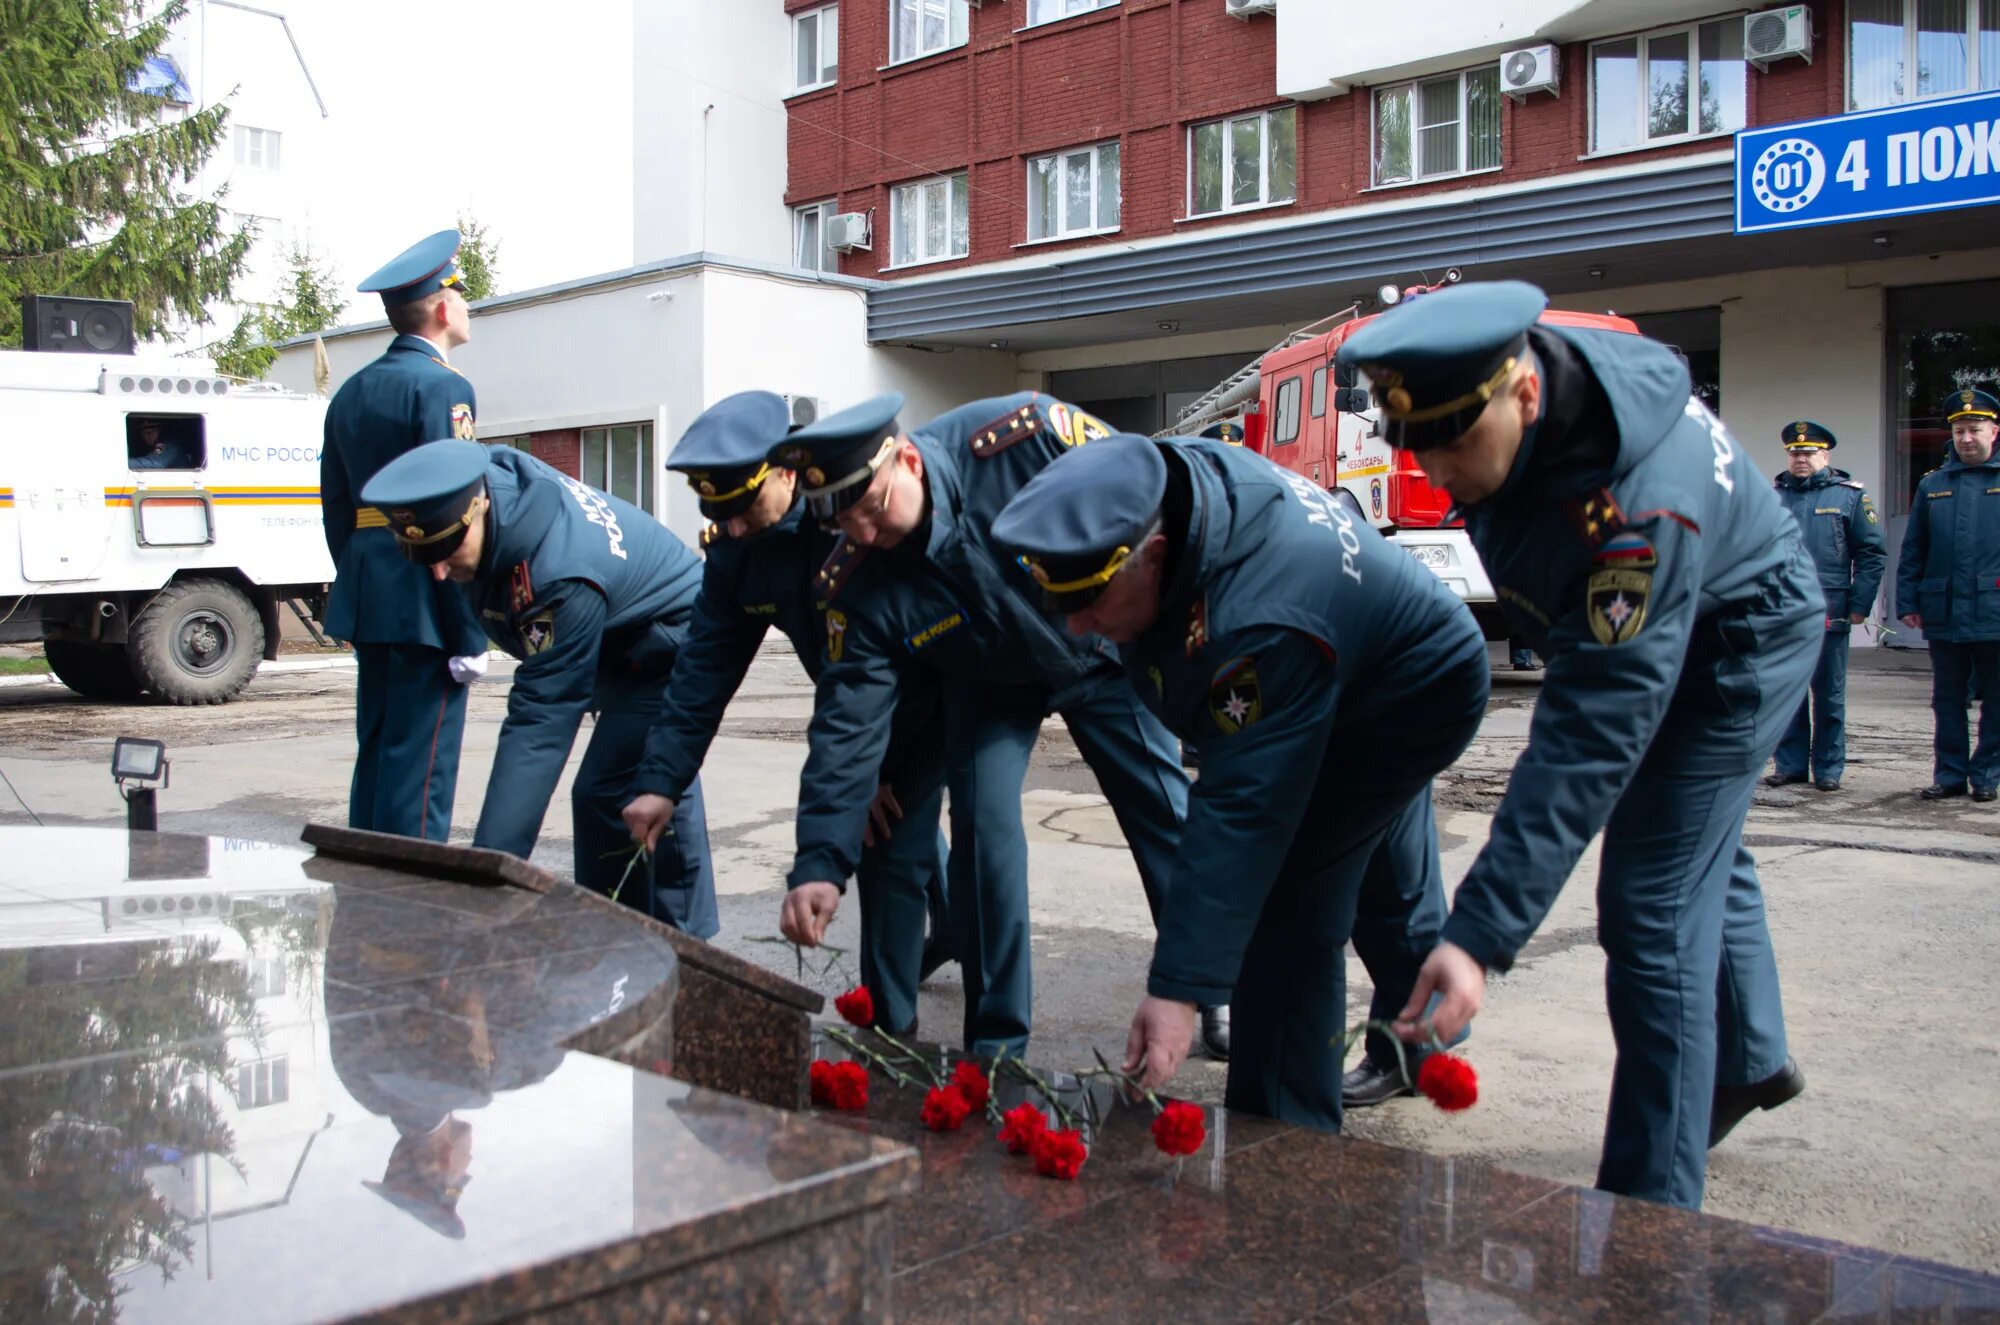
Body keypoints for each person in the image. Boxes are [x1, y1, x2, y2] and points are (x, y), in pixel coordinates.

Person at [1336, 280, 1821, 1211]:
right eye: (1417, 443)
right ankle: (1751, 1056)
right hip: (1665, 626)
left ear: (1523, 393)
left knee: (1652, 903)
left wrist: (1478, 935)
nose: (1437, 473)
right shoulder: (1507, 420)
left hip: (1740, 641)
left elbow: (1588, 730)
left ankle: (1649, 1215)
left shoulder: (1636, 510)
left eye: (1452, 442)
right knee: (1696, 838)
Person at [989, 432, 1490, 1132]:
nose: (1077, 627)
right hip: (1352, 643)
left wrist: (1178, 990)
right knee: (1380, 872)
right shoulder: (1168, 489)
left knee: (1290, 899)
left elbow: (1241, 815)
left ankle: (1283, 1134)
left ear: (1155, 556)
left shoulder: (1254, 623)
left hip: (1408, 694)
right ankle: (1426, 1041)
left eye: (1092, 600)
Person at [768, 392, 1206, 1060]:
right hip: (988, 683)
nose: (861, 531)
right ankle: (996, 1041)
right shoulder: (859, 574)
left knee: (1164, 816)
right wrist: (821, 861)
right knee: (982, 833)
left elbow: (1145, 491)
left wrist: (1173, 636)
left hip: (1103, 650)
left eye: (871, 507)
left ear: (906, 459)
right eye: (843, 522)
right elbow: (847, 718)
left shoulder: (1019, 440)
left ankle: (1209, 984)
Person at [620, 391, 952, 1034]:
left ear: (787, 474)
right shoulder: (737, 547)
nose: (734, 526)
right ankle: (949, 930)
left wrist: (870, 772)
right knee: (890, 826)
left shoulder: (847, 519)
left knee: (884, 841)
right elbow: (703, 666)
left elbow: (887, 668)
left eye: (742, 505)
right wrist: (661, 780)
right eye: (718, 510)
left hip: (931, 693)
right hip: (858, 714)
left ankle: (890, 1041)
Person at [360, 439, 718, 935]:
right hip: (615, 635)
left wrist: (487, 873)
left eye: (446, 548)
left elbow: (543, 719)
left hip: (670, 641)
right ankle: (612, 931)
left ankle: (682, 948)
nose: (439, 571)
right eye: (422, 554)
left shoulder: (554, 572)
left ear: (480, 504)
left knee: (621, 789)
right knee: (615, 792)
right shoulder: (481, 491)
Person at [320, 230, 490, 842]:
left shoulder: (352, 390)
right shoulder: (445, 387)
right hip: (426, 589)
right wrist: (468, 626)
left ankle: (365, 880)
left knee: (379, 745)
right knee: (422, 763)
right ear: (443, 308)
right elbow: (454, 506)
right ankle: (410, 905)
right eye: (463, 297)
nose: (467, 308)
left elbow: (337, 506)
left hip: (372, 585)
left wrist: (365, 576)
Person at [1764, 421, 1886, 794]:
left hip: (1829, 609)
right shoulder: (1771, 497)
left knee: (1829, 696)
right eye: (1795, 452)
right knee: (1787, 694)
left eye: (1808, 452)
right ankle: (1790, 765)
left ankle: (1829, 769)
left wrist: (1860, 605)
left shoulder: (1848, 497)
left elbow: (1871, 553)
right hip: (1782, 613)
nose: (1800, 458)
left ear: (1825, 455)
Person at [1897, 387, 2000, 804]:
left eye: (1974, 429)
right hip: (1944, 609)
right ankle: (1951, 774)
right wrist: (1907, 601)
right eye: (1959, 430)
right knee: (1946, 700)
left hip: (1995, 610)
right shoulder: (1933, 485)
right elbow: (1914, 548)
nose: (1967, 438)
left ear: (1994, 431)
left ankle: (1987, 774)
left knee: (1995, 701)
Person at [127, 418, 193, 470]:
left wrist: (121, 463)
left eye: (153, 431)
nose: (150, 435)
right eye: (145, 433)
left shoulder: (170, 445)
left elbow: (156, 463)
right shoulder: (149, 447)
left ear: (160, 431)